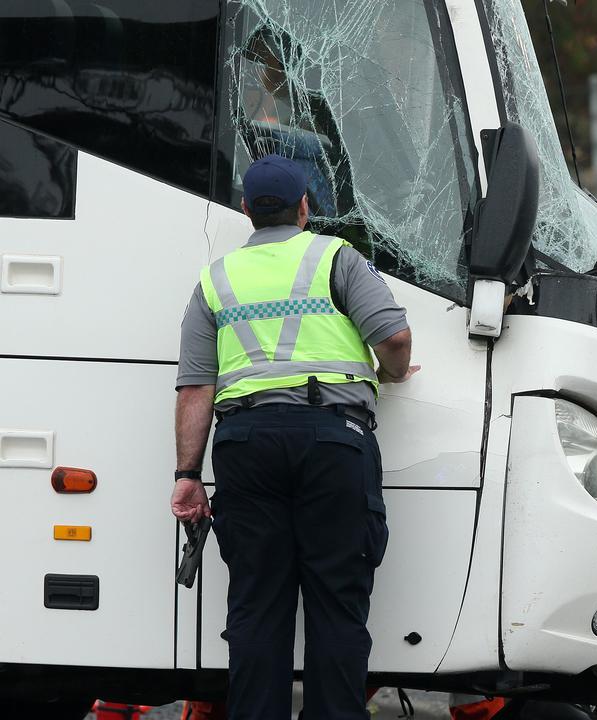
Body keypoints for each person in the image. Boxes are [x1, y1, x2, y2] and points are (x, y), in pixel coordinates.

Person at [170, 154, 419, 720]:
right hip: (333, 441)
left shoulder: (217, 279)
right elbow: (396, 339)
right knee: (337, 606)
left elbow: (194, 389)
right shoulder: (336, 257)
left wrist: (188, 475)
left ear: (246, 211)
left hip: (246, 447)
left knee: (257, 609)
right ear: (306, 206)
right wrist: (390, 373)